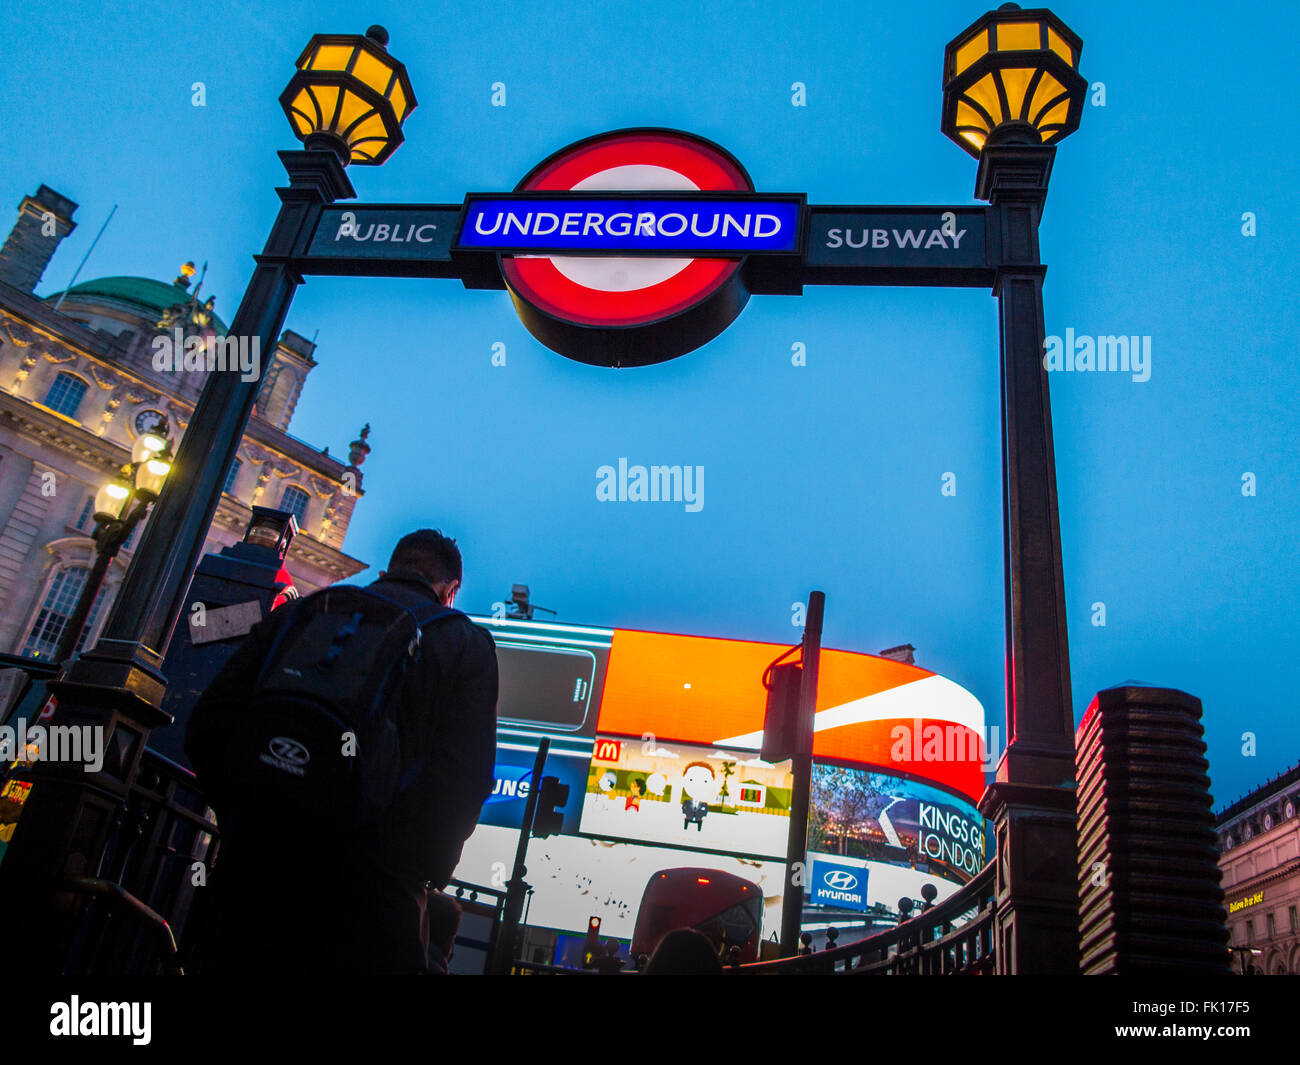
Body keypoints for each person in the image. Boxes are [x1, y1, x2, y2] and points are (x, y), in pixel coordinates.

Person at [185, 528, 498, 974]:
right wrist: (423, 868)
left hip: (252, 873)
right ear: (450, 591)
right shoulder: (465, 645)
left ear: (387, 571)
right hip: (371, 897)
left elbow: (209, 721)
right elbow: (465, 778)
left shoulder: (304, 613)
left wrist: (244, 815)